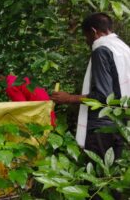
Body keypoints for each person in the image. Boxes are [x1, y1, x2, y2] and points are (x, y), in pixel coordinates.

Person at [51, 13, 130, 160]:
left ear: (93, 31)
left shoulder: (101, 50)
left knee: (100, 175)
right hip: (121, 123)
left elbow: (103, 97)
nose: (87, 41)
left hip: (103, 126)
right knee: (112, 175)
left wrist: (69, 98)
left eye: (86, 36)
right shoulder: (122, 48)